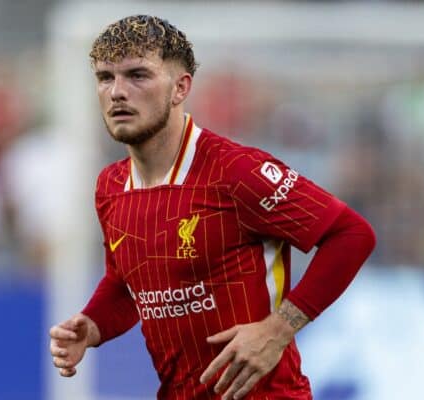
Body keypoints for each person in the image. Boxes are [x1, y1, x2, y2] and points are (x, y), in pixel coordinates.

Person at [49, 15, 376, 400]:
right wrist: (94, 324)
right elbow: (126, 282)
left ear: (180, 87)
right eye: (106, 78)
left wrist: (278, 329)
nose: (118, 92)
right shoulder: (110, 186)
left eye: (138, 75)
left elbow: (352, 235)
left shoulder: (235, 171)